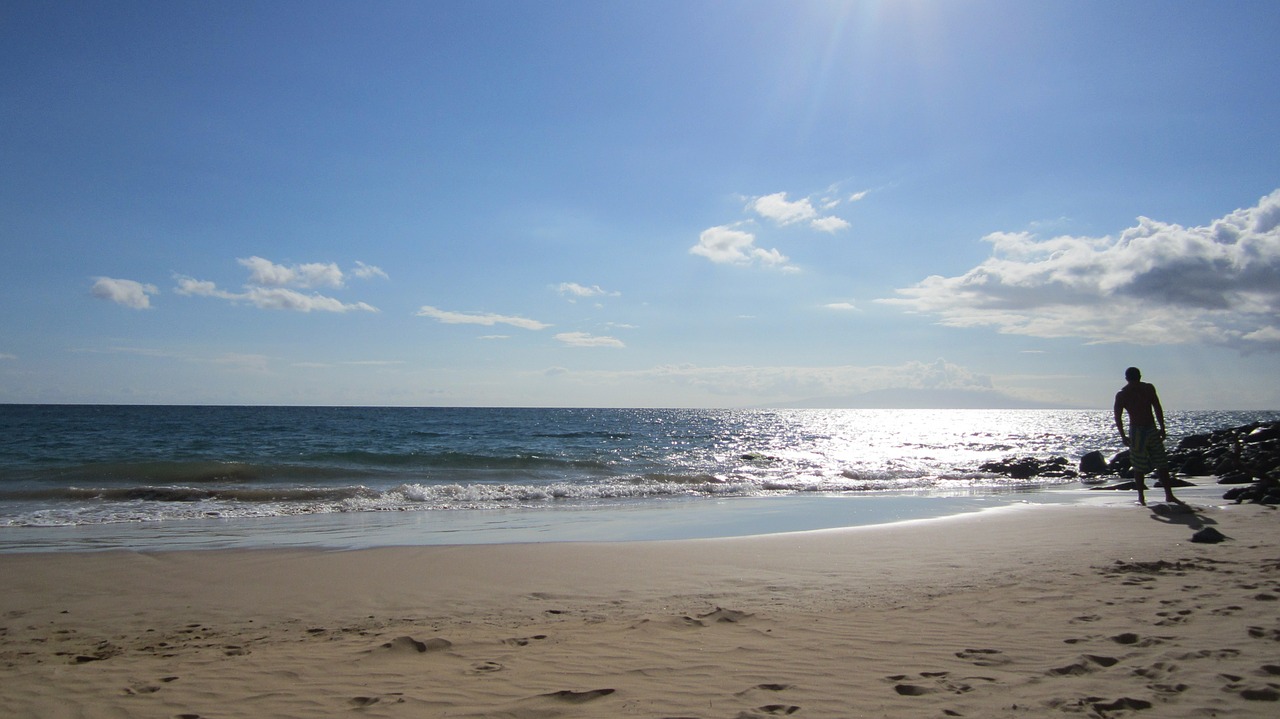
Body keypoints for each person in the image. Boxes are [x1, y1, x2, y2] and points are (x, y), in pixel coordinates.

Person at [1113, 367, 1180, 505]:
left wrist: (1123, 435)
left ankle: (1142, 497)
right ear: (1140, 376)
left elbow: (1118, 418)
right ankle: (1165, 495)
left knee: (1140, 465)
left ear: (1126, 378)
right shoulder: (1144, 389)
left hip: (1139, 430)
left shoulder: (1123, 393)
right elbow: (1157, 407)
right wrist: (1162, 427)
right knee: (1160, 463)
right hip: (1148, 428)